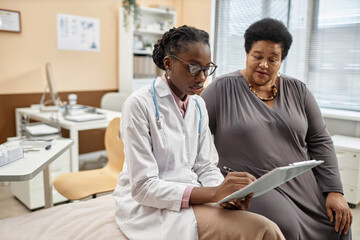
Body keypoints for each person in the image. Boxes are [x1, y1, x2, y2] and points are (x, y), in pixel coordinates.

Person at [113, 25, 285, 240]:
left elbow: (205, 165)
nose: (203, 77)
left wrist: (225, 195)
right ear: (169, 63)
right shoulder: (139, 104)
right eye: (194, 68)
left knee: (258, 224)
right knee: (263, 229)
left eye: (207, 68)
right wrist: (212, 194)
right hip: (149, 206)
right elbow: (143, 188)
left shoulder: (198, 106)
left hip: (193, 195)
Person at [201, 18, 353, 239]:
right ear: (247, 53)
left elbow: (320, 141)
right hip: (254, 184)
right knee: (285, 226)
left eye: (273, 59)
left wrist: (335, 191)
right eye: (257, 56)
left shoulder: (299, 91)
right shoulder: (222, 89)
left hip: (300, 182)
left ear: (282, 60)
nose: (264, 64)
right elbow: (193, 136)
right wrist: (211, 185)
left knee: (339, 223)